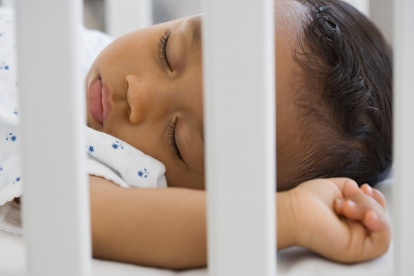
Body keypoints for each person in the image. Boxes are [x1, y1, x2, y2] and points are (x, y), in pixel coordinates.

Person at [0, 0, 391, 270]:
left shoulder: (106, 166)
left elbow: (99, 220)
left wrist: (289, 216)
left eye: (178, 141)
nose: (138, 94)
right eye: (168, 50)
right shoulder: (77, 43)